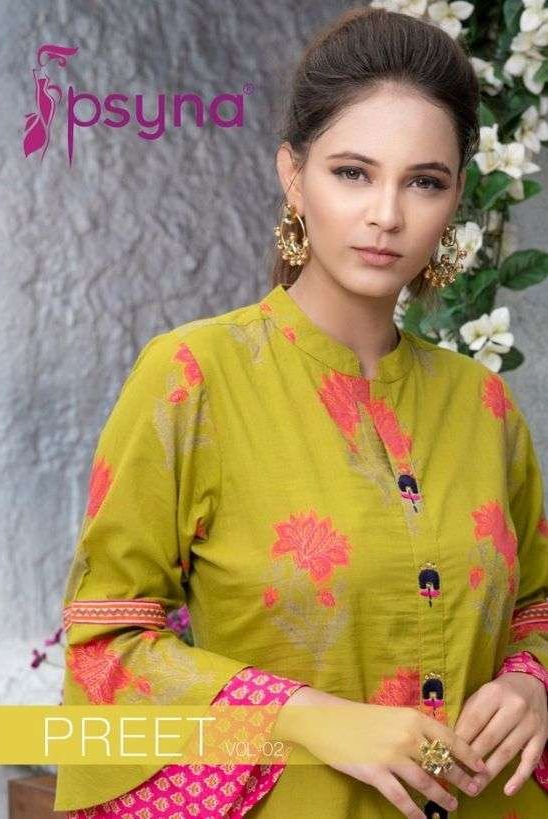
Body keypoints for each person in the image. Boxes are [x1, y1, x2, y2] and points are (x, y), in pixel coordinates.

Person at [55, 7, 548, 818]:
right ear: (294, 175)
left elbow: (535, 605)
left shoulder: (481, 403)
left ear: (457, 196)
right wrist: (306, 716)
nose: (385, 214)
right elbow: (107, 643)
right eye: (352, 173)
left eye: (423, 181)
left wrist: (530, 682)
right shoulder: (193, 378)